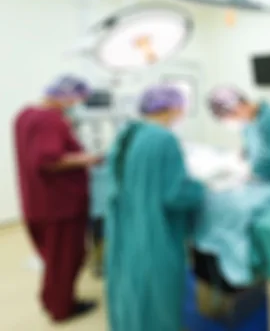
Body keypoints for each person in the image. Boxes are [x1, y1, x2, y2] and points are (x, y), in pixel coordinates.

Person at [105, 85, 204, 331]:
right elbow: (175, 194)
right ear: (172, 108)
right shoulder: (164, 138)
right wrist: (203, 187)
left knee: (130, 285)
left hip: (127, 226)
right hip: (154, 230)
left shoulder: (127, 133)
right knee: (158, 291)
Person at [14, 75, 101, 322]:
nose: (78, 104)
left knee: (54, 258)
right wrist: (91, 158)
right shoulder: (51, 120)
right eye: (78, 99)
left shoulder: (25, 114)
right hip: (61, 206)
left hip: (38, 201)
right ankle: (62, 309)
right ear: (68, 96)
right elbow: (49, 160)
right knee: (66, 258)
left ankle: (51, 299)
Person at [207, 86, 270, 182]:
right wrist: (240, 157)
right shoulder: (247, 123)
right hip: (261, 181)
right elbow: (251, 150)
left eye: (231, 116)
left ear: (239, 106)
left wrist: (251, 169)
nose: (233, 122)